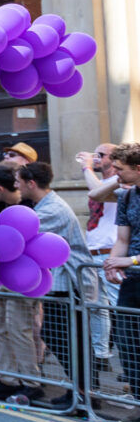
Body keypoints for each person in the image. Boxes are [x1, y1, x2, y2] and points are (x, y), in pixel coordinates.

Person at [12, 162, 97, 409]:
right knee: (59, 335)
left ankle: (84, 393)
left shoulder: (53, 210)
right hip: (61, 283)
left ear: (31, 183)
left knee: (69, 337)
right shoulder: (44, 205)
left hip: (72, 282)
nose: (15, 185)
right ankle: (79, 391)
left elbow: (23, 236)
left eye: (18, 181)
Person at [0, 165, 38, 401]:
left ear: (0, 188)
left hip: (20, 276)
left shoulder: (27, 208)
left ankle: (32, 382)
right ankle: (7, 379)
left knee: (19, 329)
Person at [102, 144, 140, 422]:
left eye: (120, 169)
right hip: (133, 281)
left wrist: (131, 260)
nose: (114, 173)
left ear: (137, 168)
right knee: (128, 344)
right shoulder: (127, 197)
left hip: (135, 268)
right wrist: (112, 264)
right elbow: (122, 240)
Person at [78, 145, 123, 372]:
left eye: (101, 155)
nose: (96, 158)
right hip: (94, 252)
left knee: (119, 307)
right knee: (97, 307)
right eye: (94, 153)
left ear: (114, 160)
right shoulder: (101, 181)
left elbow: (95, 191)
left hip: (111, 252)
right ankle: (101, 354)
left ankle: (127, 361)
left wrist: (86, 167)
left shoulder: (120, 182)